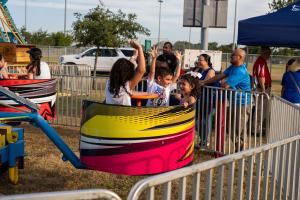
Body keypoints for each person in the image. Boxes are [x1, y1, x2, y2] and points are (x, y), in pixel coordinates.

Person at [200, 48, 251, 152]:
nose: (231, 56)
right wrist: (205, 82)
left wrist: (222, 81)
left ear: (240, 57)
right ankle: (241, 149)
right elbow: (220, 76)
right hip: (235, 103)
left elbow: (225, 85)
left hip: (241, 104)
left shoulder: (239, 71)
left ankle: (241, 150)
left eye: (233, 55)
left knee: (235, 129)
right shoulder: (233, 67)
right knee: (235, 128)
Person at [105, 40, 145, 106]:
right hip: (124, 115)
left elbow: (126, 67)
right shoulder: (127, 85)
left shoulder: (108, 83)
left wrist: (134, 56)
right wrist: (140, 48)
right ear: (128, 73)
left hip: (111, 115)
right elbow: (141, 70)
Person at [252, 46, 272, 134]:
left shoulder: (261, 62)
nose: (269, 56)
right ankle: (256, 129)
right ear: (263, 53)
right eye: (267, 53)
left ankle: (257, 128)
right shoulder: (261, 63)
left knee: (261, 109)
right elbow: (261, 76)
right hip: (262, 89)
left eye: (269, 54)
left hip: (262, 88)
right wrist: (264, 90)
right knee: (260, 110)